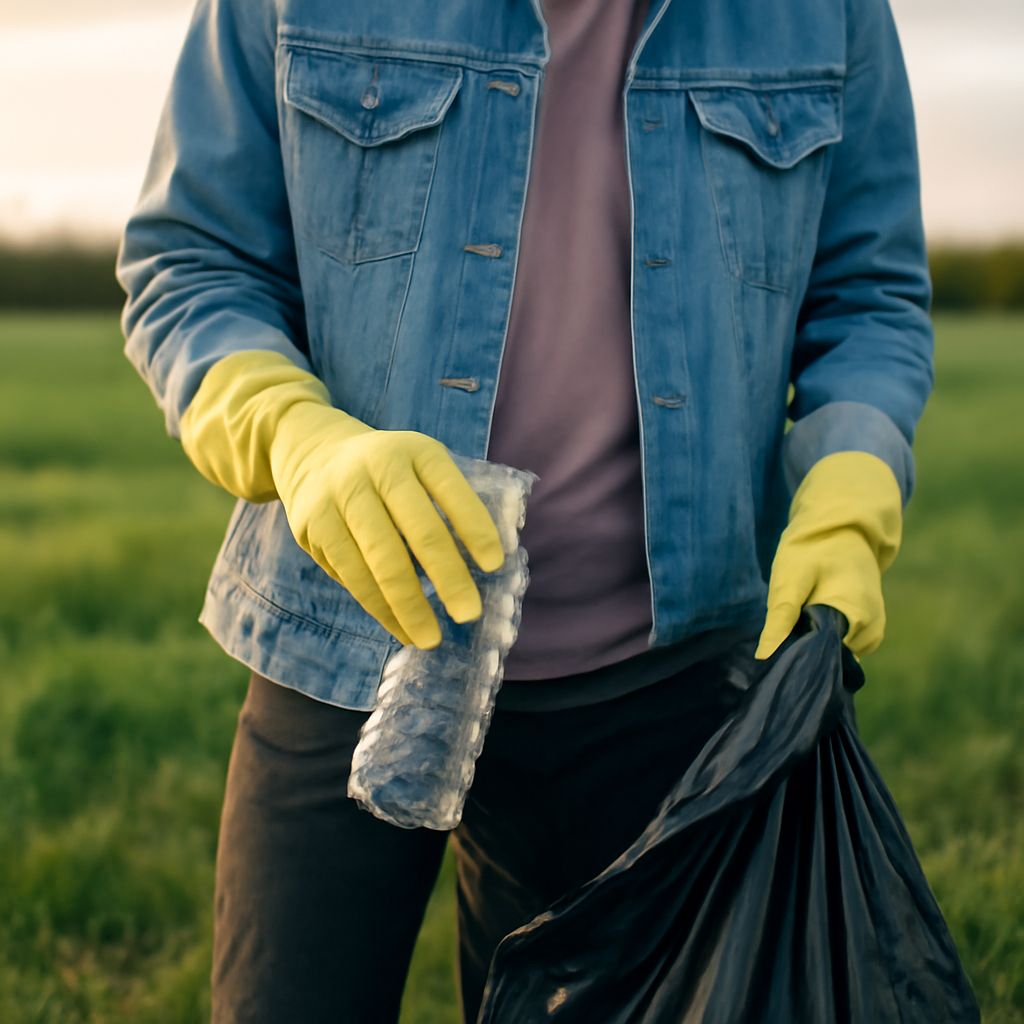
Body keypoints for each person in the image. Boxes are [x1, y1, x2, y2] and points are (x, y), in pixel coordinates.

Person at [115, 0, 932, 1020]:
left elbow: (867, 292)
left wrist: (852, 473)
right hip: (338, 642)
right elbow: (191, 262)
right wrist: (293, 434)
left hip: (662, 675)